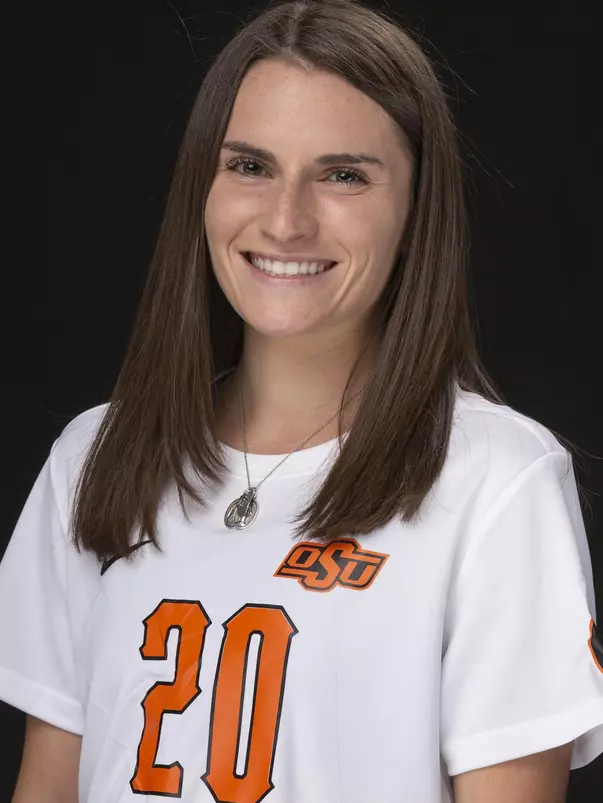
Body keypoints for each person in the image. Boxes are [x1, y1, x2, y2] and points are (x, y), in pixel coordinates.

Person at [2, 0, 603, 801]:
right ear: (202, 189)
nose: (285, 221)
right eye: (249, 165)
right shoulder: (94, 456)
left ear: (416, 210)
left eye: (343, 174)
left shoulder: (497, 479)